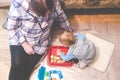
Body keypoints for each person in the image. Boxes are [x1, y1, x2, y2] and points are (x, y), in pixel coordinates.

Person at [6, 0, 73, 80]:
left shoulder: (55, 2)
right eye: (43, 13)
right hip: (20, 37)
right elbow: (11, 27)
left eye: (49, 11)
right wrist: (24, 44)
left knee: (27, 67)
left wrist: (70, 32)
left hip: (41, 41)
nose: (48, 14)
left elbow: (61, 16)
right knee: (17, 64)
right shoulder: (18, 4)